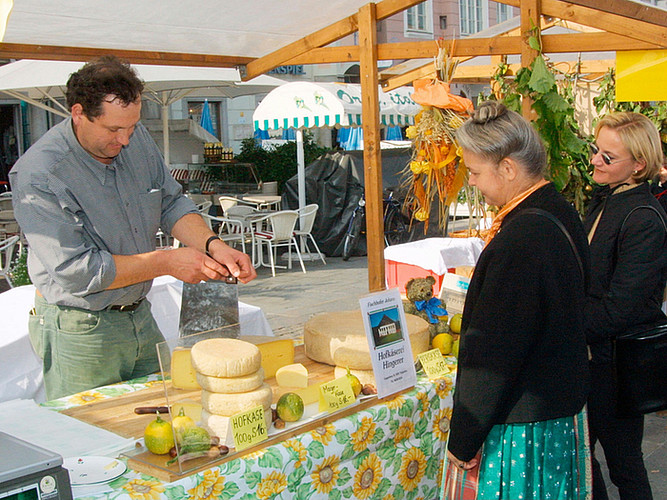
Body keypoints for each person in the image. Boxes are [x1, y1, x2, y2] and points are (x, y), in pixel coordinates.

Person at [9, 56, 256, 401]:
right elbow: (77, 272)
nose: (125, 140)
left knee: (166, 423)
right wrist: (166, 262)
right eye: (113, 130)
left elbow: (170, 202)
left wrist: (214, 245)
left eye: (132, 126)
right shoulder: (39, 174)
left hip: (140, 315)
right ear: (79, 114)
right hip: (80, 329)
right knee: (93, 443)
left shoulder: (136, 139)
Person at [444, 101, 592, 499]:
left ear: (507, 168)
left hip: (524, 427)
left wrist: (463, 437)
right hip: (555, 413)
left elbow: (493, 355)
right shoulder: (559, 210)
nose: (471, 182)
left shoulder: (521, 239)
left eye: (475, 172)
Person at [584, 112, 666, 500]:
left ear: (639, 165)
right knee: (584, 459)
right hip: (595, 359)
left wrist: (563, 321)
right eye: (596, 150)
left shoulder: (644, 217)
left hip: (616, 367)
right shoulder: (606, 200)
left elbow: (621, 307)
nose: (596, 161)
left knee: (624, 464)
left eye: (607, 156)